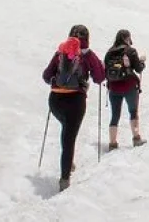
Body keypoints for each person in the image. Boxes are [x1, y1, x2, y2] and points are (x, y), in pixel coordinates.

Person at [42, 24, 105, 192]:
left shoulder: (60, 52)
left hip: (55, 100)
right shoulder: (88, 55)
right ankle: (64, 179)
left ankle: (68, 162)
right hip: (76, 101)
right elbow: (99, 78)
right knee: (69, 138)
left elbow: (46, 76)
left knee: (66, 131)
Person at [104, 29, 146, 150]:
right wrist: (142, 62)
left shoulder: (110, 52)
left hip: (113, 87)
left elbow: (105, 70)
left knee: (115, 115)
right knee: (133, 112)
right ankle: (136, 138)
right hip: (129, 87)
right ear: (127, 38)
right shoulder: (131, 51)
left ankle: (112, 143)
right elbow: (138, 69)